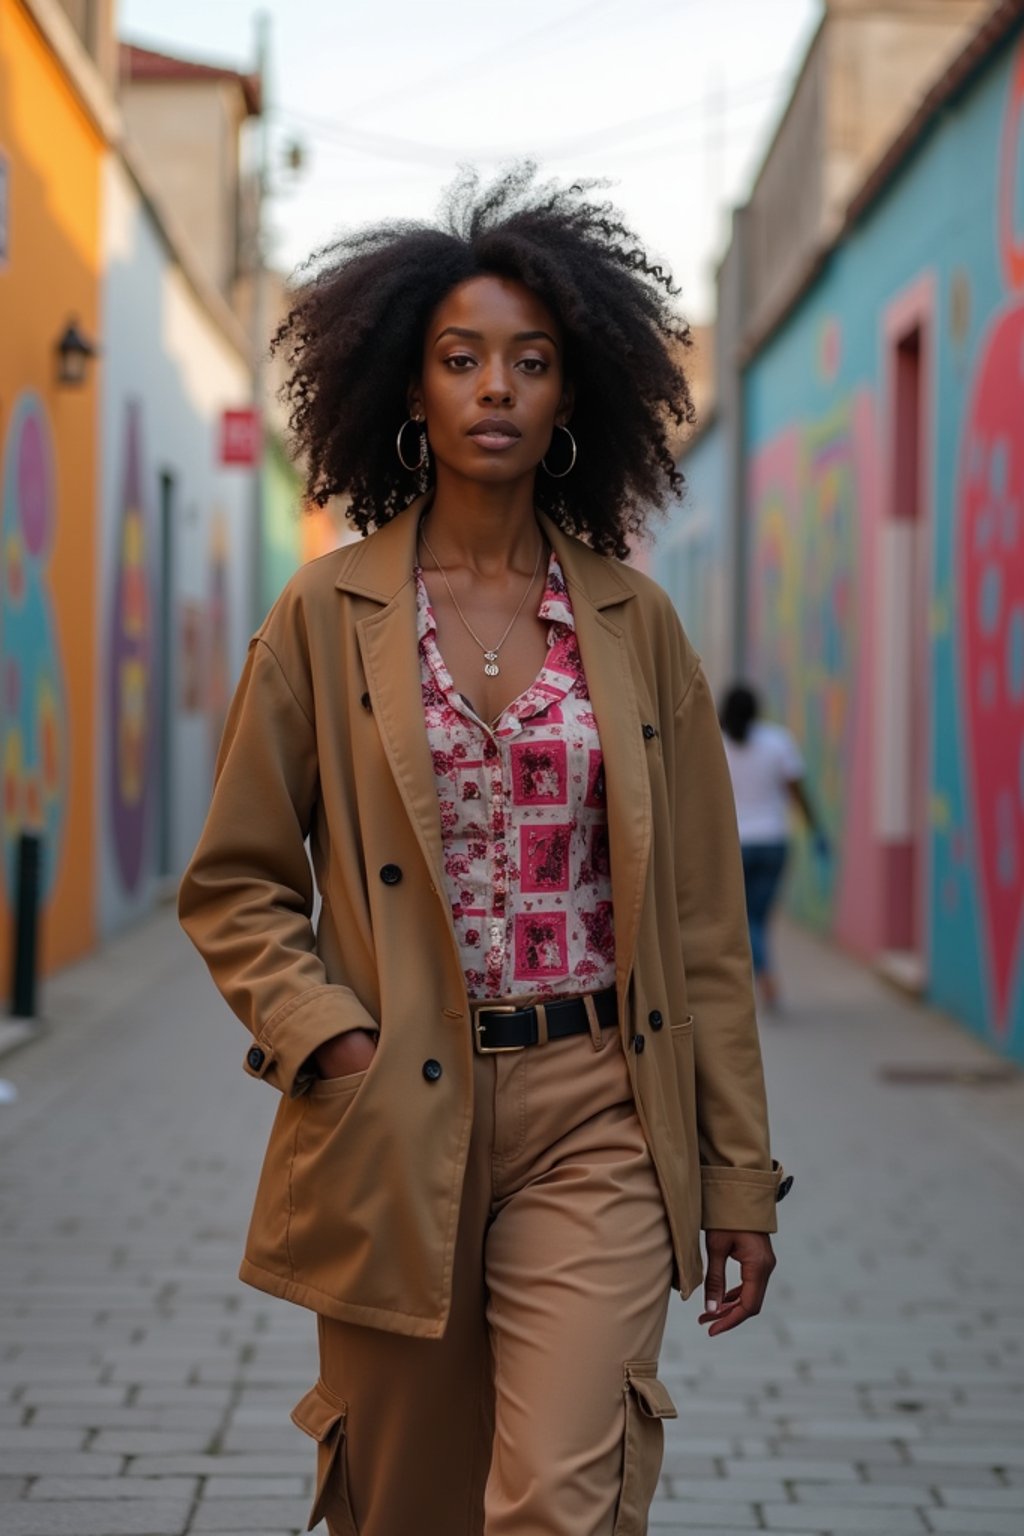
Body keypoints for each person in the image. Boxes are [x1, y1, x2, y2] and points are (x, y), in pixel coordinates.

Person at [179, 168, 789, 1536]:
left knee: (558, 1502)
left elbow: (700, 931)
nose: (496, 387)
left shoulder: (637, 627)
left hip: (601, 1113)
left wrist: (738, 1178)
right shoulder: (326, 615)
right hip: (395, 1114)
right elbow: (235, 880)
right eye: (461, 360)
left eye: (531, 360)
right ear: (411, 389)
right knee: (409, 1505)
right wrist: (326, 1033)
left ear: (574, 392)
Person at [719, 682, 829, 1014]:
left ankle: (762, 978)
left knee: (743, 918)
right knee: (759, 917)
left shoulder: (716, 743)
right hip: (773, 843)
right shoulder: (777, 741)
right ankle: (764, 977)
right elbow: (798, 791)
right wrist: (816, 831)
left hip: (733, 843)